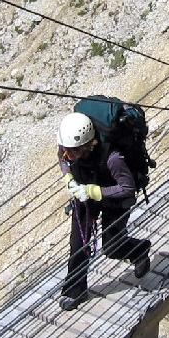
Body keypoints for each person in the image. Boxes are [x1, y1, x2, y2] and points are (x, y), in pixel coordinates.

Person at [57, 111, 150, 311]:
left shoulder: (113, 159)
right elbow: (62, 159)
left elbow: (127, 188)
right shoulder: (68, 148)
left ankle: (139, 250)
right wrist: (69, 181)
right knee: (78, 244)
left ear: (85, 146)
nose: (67, 155)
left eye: (72, 152)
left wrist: (91, 191)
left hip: (112, 198)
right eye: (66, 150)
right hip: (85, 193)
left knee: (112, 247)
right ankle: (75, 291)